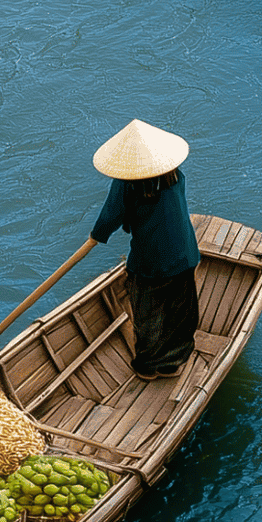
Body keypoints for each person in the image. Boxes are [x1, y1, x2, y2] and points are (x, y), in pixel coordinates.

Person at [89, 118, 200, 379]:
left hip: (151, 261)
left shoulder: (128, 183)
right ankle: (172, 362)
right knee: (180, 310)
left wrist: (96, 236)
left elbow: (111, 215)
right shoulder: (174, 174)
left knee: (149, 312)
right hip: (184, 253)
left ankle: (148, 365)